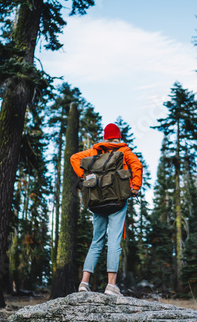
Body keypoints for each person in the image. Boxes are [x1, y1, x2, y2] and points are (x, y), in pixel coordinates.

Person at [70, 123, 143, 296]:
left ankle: (84, 283)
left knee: (96, 242)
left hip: (97, 202)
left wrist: (86, 177)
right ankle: (111, 286)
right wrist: (135, 187)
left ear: (105, 137)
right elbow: (137, 166)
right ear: (118, 137)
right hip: (117, 201)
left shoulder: (94, 152)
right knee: (114, 242)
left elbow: (74, 158)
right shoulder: (124, 152)